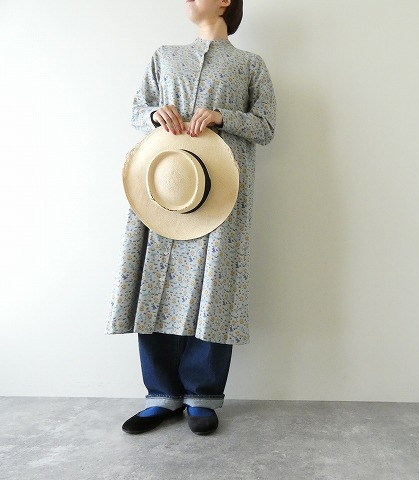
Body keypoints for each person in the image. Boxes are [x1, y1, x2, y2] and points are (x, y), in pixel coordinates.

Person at [106, 0, 276, 435]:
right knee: (155, 283)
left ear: (224, 0)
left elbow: (266, 127)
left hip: (222, 193)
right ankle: (161, 395)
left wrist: (222, 117)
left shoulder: (250, 64)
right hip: (164, 188)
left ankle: (202, 396)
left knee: (215, 287)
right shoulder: (164, 56)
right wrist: (153, 114)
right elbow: (136, 110)